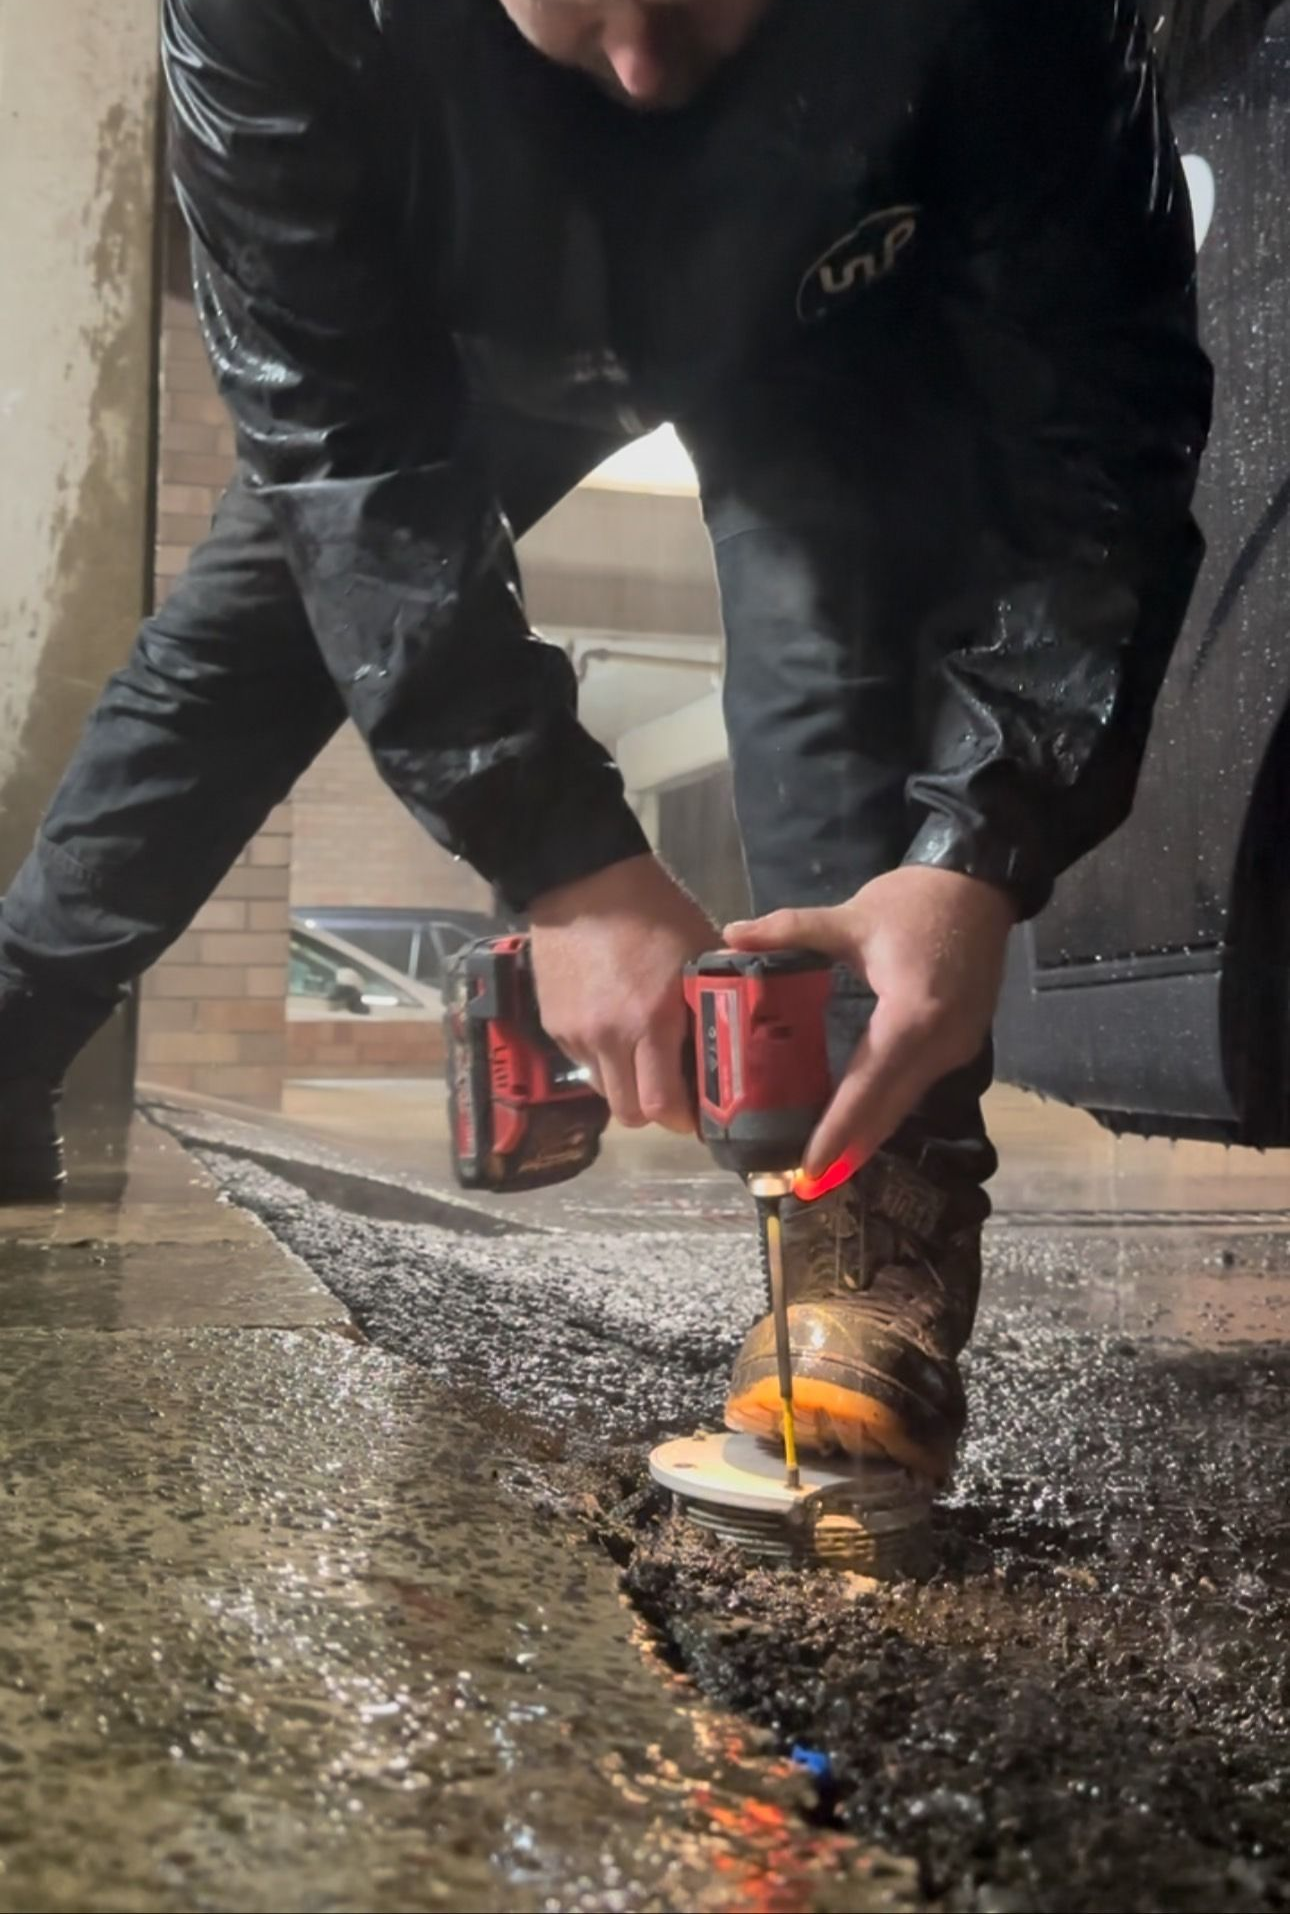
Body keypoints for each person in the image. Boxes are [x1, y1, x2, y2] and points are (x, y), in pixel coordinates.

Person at [0, 0, 1211, 1483]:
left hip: (826, 304)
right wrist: (562, 859)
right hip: (466, 323)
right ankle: (9, 1028)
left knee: (828, 624)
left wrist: (978, 845)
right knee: (238, 646)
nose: (642, 63)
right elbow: (342, 455)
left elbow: (1101, 429)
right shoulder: (275, 19)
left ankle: (863, 1231)